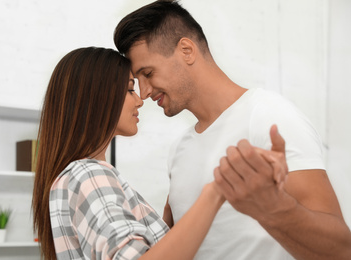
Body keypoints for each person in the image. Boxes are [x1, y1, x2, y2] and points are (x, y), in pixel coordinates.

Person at [114, 1, 351, 259]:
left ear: (186, 50)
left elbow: (341, 250)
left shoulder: (268, 116)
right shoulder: (179, 150)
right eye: (137, 81)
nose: (144, 91)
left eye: (148, 73)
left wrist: (272, 208)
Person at [33, 47, 282, 260]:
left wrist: (164, 229)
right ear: (98, 96)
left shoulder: (72, 178)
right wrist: (217, 190)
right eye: (131, 89)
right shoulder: (89, 175)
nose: (140, 99)